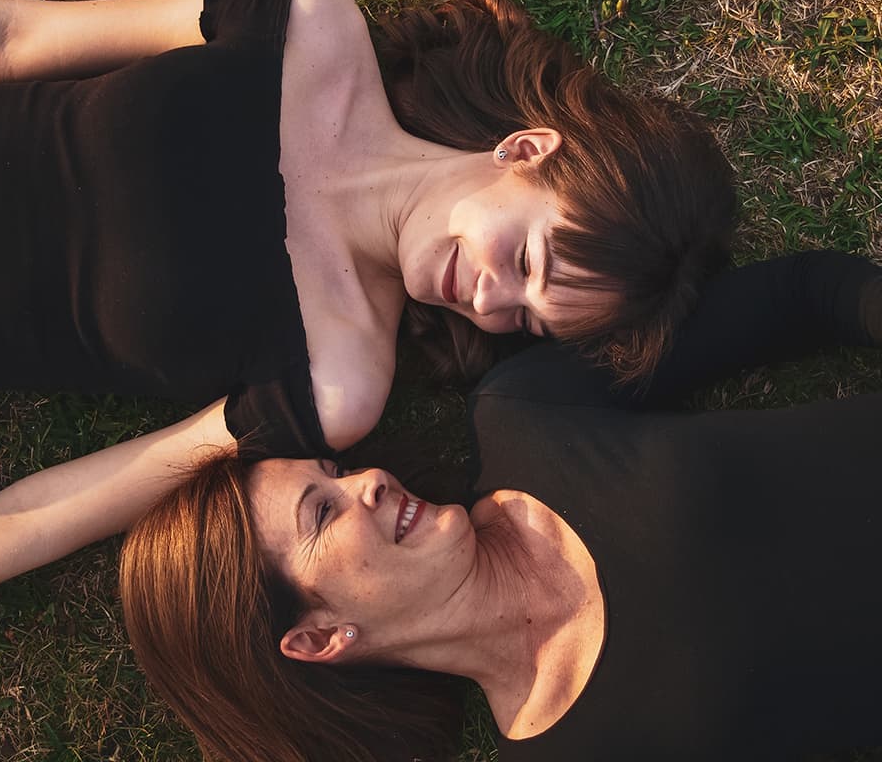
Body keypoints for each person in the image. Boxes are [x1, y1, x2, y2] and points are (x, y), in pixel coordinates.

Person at [0, 0, 734, 608]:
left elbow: (63, 510)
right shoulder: (310, 26)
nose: (489, 303)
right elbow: (10, 37)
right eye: (526, 262)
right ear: (525, 151)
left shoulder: (338, 381)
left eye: (525, 323)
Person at [120, 250, 882, 762]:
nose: (370, 480)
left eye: (338, 470)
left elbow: (801, 296)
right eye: (323, 513)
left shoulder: (524, 416)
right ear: (319, 638)